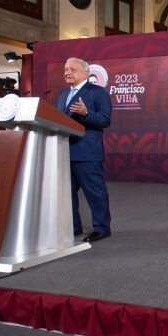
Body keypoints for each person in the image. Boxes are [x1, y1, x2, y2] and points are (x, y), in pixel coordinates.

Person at [56, 57, 113, 243]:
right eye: (66, 69)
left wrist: (86, 113)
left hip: (86, 152)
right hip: (64, 151)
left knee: (94, 192)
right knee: (67, 194)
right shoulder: (63, 94)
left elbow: (105, 120)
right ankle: (74, 227)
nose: (67, 72)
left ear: (85, 73)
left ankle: (102, 228)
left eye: (72, 69)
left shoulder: (98, 93)